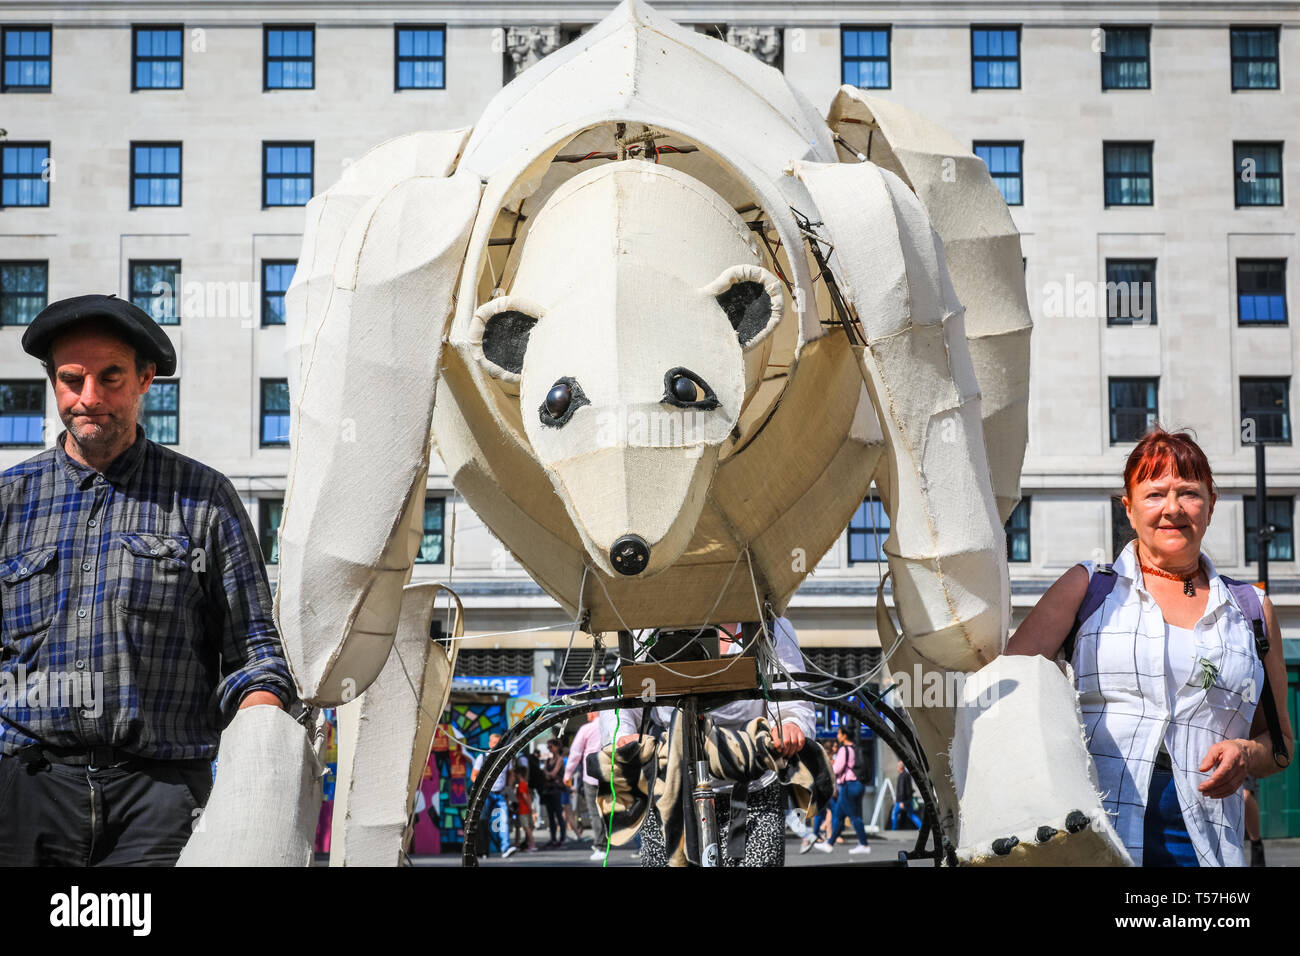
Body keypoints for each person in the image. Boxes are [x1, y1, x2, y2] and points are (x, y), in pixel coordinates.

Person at [0, 295, 297, 866]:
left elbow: (255, 649)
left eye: (111, 377)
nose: (90, 398)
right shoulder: (12, 501)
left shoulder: (205, 499)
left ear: (145, 379)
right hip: (29, 792)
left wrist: (259, 753)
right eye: (72, 379)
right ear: (54, 384)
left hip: (161, 798)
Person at [1006, 428, 1293, 867]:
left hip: (1210, 843)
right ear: (1130, 507)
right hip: (1096, 837)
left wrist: (1246, 755)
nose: (1173, 508)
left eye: (1189, 494)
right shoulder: (1087, 588)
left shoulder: (1252, 610)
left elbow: (1280, 745)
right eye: (1155, 493)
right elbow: (1007, 695)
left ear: (1211, 505)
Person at [604, 617, 818, 867]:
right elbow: (620, 700)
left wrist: (790, 724)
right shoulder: (650, 625)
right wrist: (623, 737)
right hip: (671, 785)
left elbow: (792, 697)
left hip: (753, 788)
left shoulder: (768, 624)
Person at [565, 710, 607, 860]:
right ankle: (609, 840)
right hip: (609, 773)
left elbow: (576, 753)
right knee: (608, 809)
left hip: (590, 776)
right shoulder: (609, 724)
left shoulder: (586, 729)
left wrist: (567, 774)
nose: (587, 715)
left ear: (594, 713)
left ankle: (601, 846)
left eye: (589, 712)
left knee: (595, 812)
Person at [471, 732, 516, 858]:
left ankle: (505, 848)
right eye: (495, 743)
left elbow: (511, 773)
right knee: (483, 822)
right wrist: (483, 786)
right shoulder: (483, 757)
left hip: (500, 794)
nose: (497, 746)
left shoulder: (506, 758)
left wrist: (509, 786)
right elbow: (473, 776)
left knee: (503, 821)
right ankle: (484, 851)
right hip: (487, 794)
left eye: (499, 743)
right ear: (490, 744)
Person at [827, 726, 871, 854]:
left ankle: (864, 844)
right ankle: (829, 843)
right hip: (857, 784)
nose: (837, 735)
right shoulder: (854, 749)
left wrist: (832, 765)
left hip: (848, 785)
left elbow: (836, 769)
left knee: (854, 816)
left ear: (844, 735)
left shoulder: (843, 749)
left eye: (839, 733)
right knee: (839, 816)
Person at [541, 737, 568, 847]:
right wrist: (548, 774)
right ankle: (553, 838)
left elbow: (552, 773)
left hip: (557, 790)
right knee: (550, 816)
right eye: (548, 747)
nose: (549, 749)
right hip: (549, 790)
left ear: (556, 747)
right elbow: (547, 774)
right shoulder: (548, 760)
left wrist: (547, 773)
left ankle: (562, 838)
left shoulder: (560, 759)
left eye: (550, 747)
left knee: (558, 814)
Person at [891, 760, 922, 830]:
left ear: (900, 767)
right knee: (911, 814)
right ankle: (921, 826)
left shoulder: (901, 776)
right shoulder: (907, 775)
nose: (897, 768)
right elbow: (910, 788)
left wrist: (901, 801)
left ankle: (893, 829)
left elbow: (901, 789)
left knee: (894, 813)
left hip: (902, 800)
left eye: (897, 766)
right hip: (908, 798)